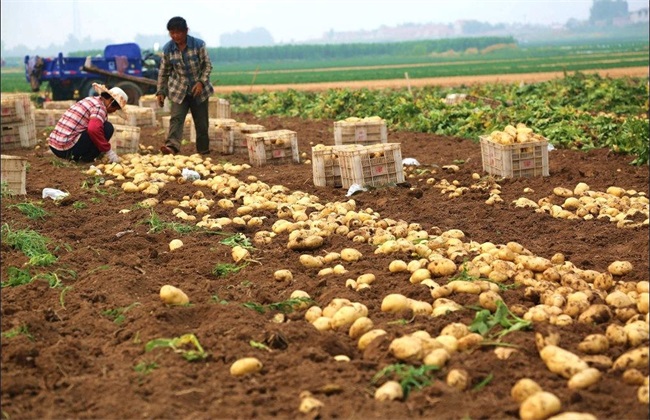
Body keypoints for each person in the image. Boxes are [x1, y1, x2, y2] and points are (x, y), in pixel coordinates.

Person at [156, 16, 214, 155]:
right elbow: (164, 72)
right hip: (178, 89)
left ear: (186, 31)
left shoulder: (198, 45)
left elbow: (207, 66)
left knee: (201, 122)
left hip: (199, 90)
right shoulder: (168, 49)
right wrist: (161, 91)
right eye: (172, 33)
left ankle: (203, 150)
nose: (176, 36)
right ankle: (172, 147)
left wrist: (200, 82)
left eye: (179, 32)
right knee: (176, 118)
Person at [48, 83, 127, 163]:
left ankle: (82, 156)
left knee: (100, 126)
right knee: (107, 128)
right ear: (111, 102)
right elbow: (93, 130)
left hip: (55, 146)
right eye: (115, 109)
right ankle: (86, 159)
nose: (114, 111)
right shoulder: (99, 107)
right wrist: (108, 151)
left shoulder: (91, 100)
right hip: (66, 148)